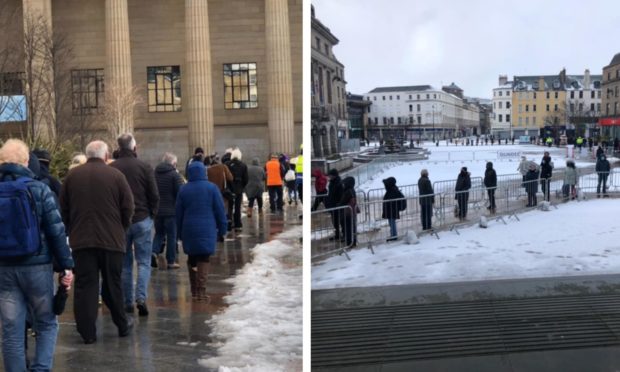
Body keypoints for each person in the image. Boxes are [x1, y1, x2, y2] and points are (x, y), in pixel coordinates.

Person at [0, 139, 74, 370]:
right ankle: (41, 368)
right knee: (46, 323)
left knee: (11, 330)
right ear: (26, 161)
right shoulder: (39, 188)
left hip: (4, 268)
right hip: (37, 267)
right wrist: (66, 265)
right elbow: (56, 230)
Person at [60, 140, 134, 344]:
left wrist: (72, 227)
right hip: (112, 240)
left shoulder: (72, 177)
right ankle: (122, 324)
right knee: (113, 284)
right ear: (106, 154)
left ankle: (87, 332)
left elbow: (63, 208)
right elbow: (128, 207)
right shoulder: (116, 176)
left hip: (82, 241)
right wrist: (121, 227)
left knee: (85, 286)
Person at [109, 133, 159, 317]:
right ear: (134, 148)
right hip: (142, 218)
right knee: (144, 262)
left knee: (125, 263)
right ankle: (141, 297)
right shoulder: (144, 167)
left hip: (121, 222)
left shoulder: (112, 168)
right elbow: (154, 194)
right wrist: (152, 214)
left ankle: (127, 301)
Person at [176, 161, 227, 301]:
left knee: (192, 258)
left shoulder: (183, 189)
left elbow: (178, 214)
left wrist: (179, 232)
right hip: (207, 228)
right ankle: (202, 291)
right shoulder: (212, 188)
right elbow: (220, 211)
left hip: (188, 228)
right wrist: (223, 228)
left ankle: (194, 290)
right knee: (204, 257)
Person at [152, 152, 183, 270]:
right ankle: (171, 261)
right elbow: (180, 193)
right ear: (174, 163)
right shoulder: (174, 175)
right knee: (171, 236)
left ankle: (153, 252)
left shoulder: (154, 174)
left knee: (159, 234)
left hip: (158, 211)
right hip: (171, 211)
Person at [206, 156, 234, 228]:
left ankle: (216, 226)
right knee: (224, 209)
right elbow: (230, 178)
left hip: (212, 193)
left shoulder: (208, 170)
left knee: (214, 209)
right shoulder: (223, 167)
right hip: (223, 192)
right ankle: (224, 226)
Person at [226, 148, 248, 230]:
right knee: (238, 206)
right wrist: (242, 186)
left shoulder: (227, 164)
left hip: (230, 188)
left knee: (229, 206)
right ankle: (237, 223)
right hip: (239, 188)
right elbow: (246, 179)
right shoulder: (243, 165)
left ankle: (229, 223)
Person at [382, 177, 406, 241]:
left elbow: (391, 200)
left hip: (392, 210)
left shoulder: (392, 190)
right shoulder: (392, 189)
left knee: (392, 223)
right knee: (391, 223)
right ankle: (393, 235)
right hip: (391, 210)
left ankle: (394, 236)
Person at [339, 176, 358, 247]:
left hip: (348, 212)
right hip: (351, 211)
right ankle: (352, 241)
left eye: (345, 183)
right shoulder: (351, 190)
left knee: (349, 227)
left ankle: (351, 242)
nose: (343, 184)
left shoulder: (348, 191)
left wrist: (339, 205)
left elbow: (343, 201)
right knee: (351, 226)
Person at [326, 168, 344, 241]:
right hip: (332, 205)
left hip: (337, 205)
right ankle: (337, 234)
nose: (329, 176)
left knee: (341, 221)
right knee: (335, 221)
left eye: (330, 175)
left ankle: (344, 235)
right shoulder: (332, 182)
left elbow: (341, 195)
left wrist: (338, 204)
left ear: (334, 175)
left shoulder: (338, 183)